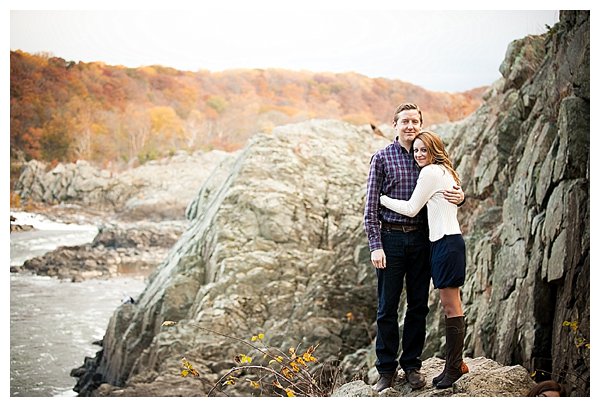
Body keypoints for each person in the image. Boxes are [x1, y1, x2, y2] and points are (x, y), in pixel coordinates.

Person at [364, 103, 464, 392]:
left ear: (420, 124)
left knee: (418, 306)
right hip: (391, 239)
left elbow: (448, 191)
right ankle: (385, 370)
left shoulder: (427, 158)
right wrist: (375, 245)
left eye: (415, 121)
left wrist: (462, 197)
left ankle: (412, 366)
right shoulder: (382, 158)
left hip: (423, 240)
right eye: (404, 121)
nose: (410, 126)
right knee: (387, 307)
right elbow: (370, 206)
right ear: (395, 124)